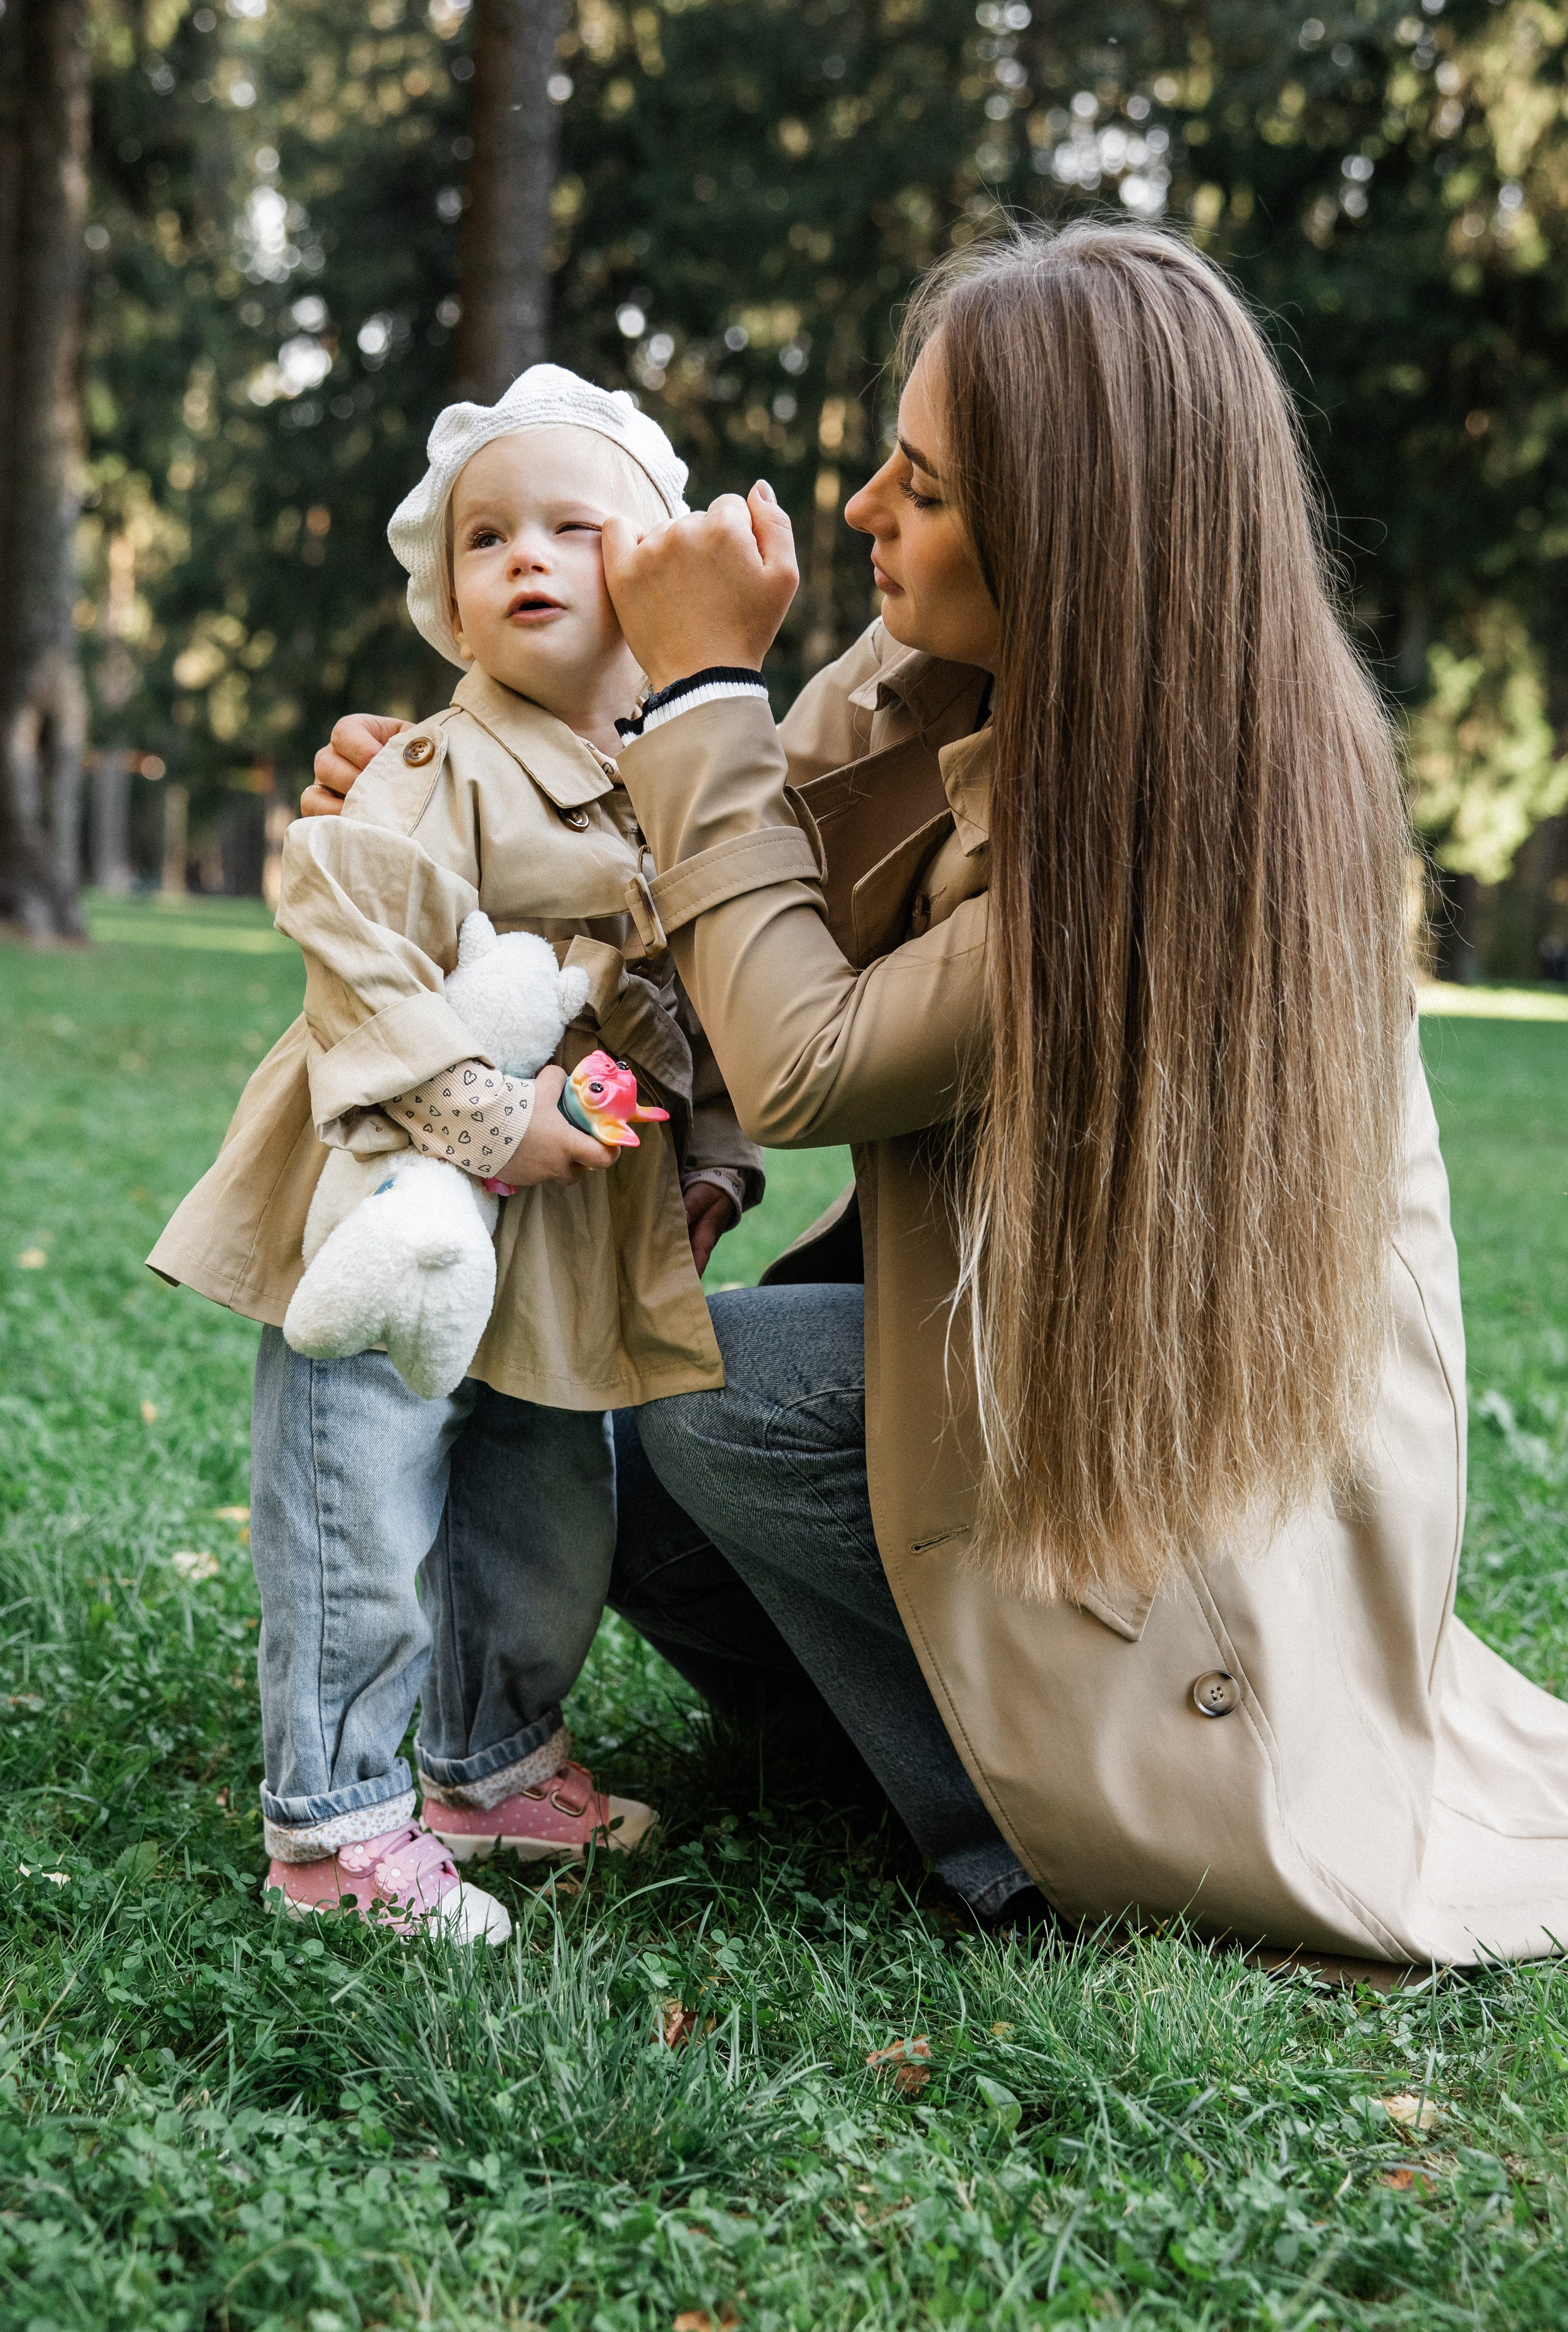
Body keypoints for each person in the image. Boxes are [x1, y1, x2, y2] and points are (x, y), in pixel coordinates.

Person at [311, 224, 1568, 1964]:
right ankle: (968, 1747)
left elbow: (798, 1049)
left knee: (709, 1402)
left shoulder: (1183, 829)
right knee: (628, 1430)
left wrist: (702, 687)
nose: (857, 515)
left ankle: (1027, 1831)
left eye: (920, 485)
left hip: (1203, 1518)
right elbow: (688, 867)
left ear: (1065, 541)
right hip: (1057, 1388)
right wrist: (445, 786)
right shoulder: (970, 678)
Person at [151, 366, 762, 1944]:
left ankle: (488, 1761)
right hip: (395, 1204)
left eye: (576, 524)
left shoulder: (667, 788)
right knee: (362, 1488)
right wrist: (489, 1119)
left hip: (560, 1232)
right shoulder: (436, 766)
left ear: (659, 578)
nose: (527, 557)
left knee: (547, 1497)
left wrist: (709, 1160)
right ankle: (334, 1823)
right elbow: (352, 942)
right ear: (453, 599)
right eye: (487, 537)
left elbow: (697, 990)